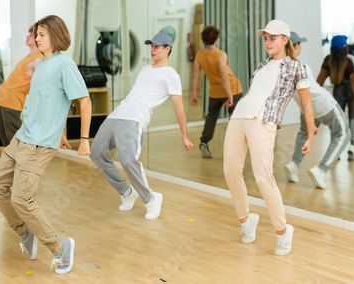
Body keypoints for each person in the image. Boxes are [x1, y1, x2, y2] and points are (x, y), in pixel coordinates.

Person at [0, 15, 91, 275]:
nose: (36, 38)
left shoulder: (65, 65)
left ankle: (59, 247)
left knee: (21, 198)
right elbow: (52, 102)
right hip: (21, 137)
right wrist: (63, 132)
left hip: (39, 145)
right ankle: (25, 233)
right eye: (36, 34)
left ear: (55, 35)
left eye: (41, 34)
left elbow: (84, 101)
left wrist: (84, 139)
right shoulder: (42, 63)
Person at [223, 20, 315, 255]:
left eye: (272, 38)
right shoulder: (262, 65)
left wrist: (311, 133)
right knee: (230, 171)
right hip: (240, 116)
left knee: (263, 177)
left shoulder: (297, 67)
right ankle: (246, 221)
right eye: (265, 38)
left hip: (264, 121)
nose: (267, 42)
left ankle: (283, 232)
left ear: (285, 40)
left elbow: (306, 102)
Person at [90, 32, 194, 220]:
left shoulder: (171, 75)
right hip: (118, 114)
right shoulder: (145, 69)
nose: (152, 50)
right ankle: (127, 192)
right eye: (151, 46)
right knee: (96, 151)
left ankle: (151, 199)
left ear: (167, 49)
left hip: (135, 119)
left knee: (128, 159)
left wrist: (184, 135)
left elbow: (179, 106)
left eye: (157, 47)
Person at [284, 32, 350, 189]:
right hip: (324, 104)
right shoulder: (302, 67)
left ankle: (294, 165)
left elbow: (298, 94)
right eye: (300, 44)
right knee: (343, 134)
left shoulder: (283, 69)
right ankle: (321, 169)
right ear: (296, 46)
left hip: (306, 108)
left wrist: (310, 120)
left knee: (304, 133)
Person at [190, 25, 243, 158]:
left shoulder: (199, 55)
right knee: (234, 119)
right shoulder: (221, 55)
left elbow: (195, 75)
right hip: (232, 89)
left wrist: (194, 94)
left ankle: (204, 141)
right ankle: (234, 147)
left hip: (214, 92)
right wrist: (230, 96)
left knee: (211, 117)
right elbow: (224, 77)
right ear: (216, 39)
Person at [0, 24, 43, 146]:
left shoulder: (38, 60)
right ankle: (10, 163)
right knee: (5, 140)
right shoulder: (29, 57)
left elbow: (43, 85)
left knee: (15, 140)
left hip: (12, 102)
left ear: (38, 39)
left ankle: (23, 163)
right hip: (2, 100)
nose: (27, 36)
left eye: (31, 35)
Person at [317, 35, 354, 161]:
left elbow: (319, 81)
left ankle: (335, 147)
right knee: (353, 118)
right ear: (345, 47)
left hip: (338, 92)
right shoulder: (350, 59)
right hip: (352, 91)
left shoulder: (328, 60)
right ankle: (352, 146)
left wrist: (314, 95)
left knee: (338, 119)